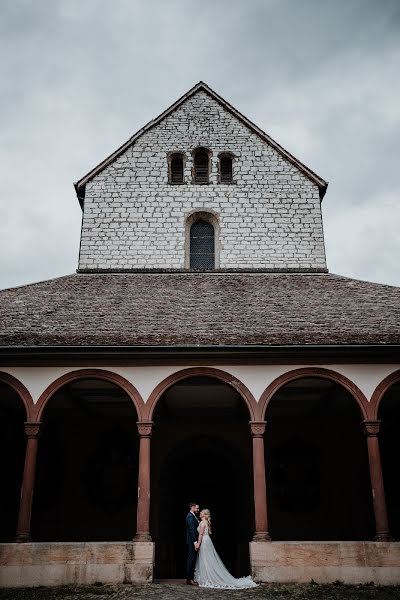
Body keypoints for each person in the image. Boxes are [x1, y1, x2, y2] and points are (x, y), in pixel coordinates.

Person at [194, 509, 257, 589]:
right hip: (207, 540)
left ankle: (208, 578)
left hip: (204, 541)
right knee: (207, 559)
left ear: (204, 515)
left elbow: (201, 534)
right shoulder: (205, 522)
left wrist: (198, 544)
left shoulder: (202, 523)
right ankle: (207, 576)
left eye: (201, 512)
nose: (200, 513)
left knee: (206, 559)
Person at [185, 502, 200, 586]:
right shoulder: (190, 517)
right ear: (192, 507)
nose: (198, 509)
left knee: (193, 559)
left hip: (193, 541)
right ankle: (189, 579)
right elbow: (191, 530)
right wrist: (195, 542)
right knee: (191, 559)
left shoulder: (193, 516)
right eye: (196, 508)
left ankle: (191, 578)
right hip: (192, 541)